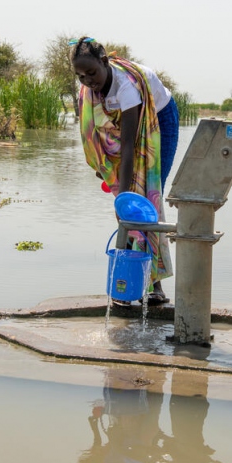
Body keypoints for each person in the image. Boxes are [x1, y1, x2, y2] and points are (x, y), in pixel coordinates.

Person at [72, 37, 178, 305]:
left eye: (92, 73)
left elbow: (130, 145)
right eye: (81, 76)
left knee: (146, 199)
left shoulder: (125, 88)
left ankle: (155, 286)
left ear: (104, 62)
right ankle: (129, 286)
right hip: (125, 128)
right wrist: (106, 169)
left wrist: (126, 196)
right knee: (128, 200)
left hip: (159, 119)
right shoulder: (87, 89)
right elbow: (92, 131)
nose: (88, 81)